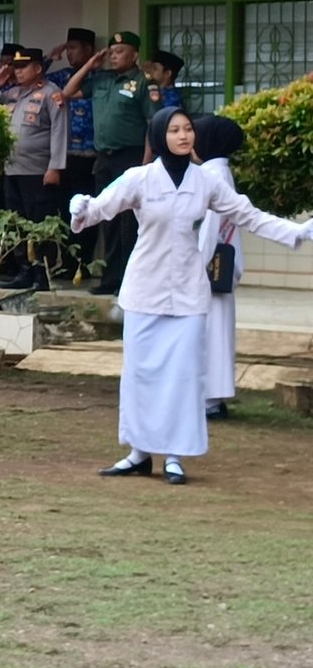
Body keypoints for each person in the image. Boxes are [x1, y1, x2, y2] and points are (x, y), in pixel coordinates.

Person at [72, 108, 313, 484]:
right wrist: (81, 208)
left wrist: (297, 232)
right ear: (159, 134)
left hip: (187, 292)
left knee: (182, 377)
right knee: (140, 373)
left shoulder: (207, 182)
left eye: (187, 129)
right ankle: (137, 453)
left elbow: (248, 215)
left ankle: (174, 456)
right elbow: (100, 207)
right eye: (174, 129)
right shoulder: (140, 178)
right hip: (144, 289)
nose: (184, 136)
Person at [61, 32, 159, 295]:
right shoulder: (101, 79)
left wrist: (145, 164)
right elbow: (67, 92)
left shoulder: (143, 83)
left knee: (129, 222)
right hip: (104, 158)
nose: (114, 56)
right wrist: (89, 65)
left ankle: (129, 280)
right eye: (111, 52)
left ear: (135, 55)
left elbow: (152, 126)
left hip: (131, 157)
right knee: (107, 217)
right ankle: (110, 278)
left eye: (120, 52)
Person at [0, 48, 69, 292]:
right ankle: (24, 268)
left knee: (39, 222)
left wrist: (55, 166)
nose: (18, 71)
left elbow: (59, 131)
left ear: (38, 68)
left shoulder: (51, 94)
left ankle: (41, 272)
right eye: (16, 66)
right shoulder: (11, 94)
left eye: (24, 67)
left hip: (38, 170)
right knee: (17, 221)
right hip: (12, 169)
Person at [193, 116, 249, 420]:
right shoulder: (217, 172)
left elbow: (210, 229)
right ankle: (211, 398)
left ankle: (209, 400)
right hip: (220, 267)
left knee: (210, 334)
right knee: (216, 332)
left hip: (212, 269)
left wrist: (196, 265)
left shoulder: (212, 176)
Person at [45, 28, 100, 278]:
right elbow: (33, 78)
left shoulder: (101, 77)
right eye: (67, 48)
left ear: (89, 50)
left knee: (86, 211)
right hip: (64, 155)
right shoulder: (64, 77)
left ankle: (82, 263)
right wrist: (49, 57)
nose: (69, 53)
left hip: (90, 155)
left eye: (74, 47)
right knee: (63, 209)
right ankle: (66, 262)